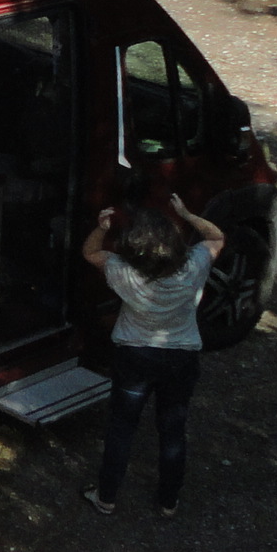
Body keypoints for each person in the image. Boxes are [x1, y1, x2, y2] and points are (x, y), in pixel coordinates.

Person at [79, 191, 225, 517]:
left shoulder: (122, 270)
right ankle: (169, 501)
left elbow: (90, 252)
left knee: (121, 428)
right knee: (172, 429)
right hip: (181, 358)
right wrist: (187, 214)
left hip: (134, 357)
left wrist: (102, 227)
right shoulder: (195, 265)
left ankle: (106, 497)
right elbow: (216, 236)